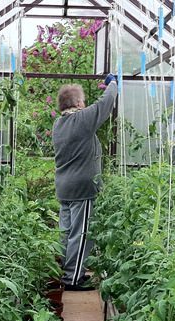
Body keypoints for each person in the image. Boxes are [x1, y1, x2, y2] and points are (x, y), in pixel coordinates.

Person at [52, 74, 118, 291]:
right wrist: (113, 84)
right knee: (82, 235)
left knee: (67, 232)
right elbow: (105, 104)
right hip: (82, 189)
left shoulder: (59, 124)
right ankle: (73, 279)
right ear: (78, 103)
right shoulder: (81, 120)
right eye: (83, 101)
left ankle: (65, 271)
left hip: (64, 186)